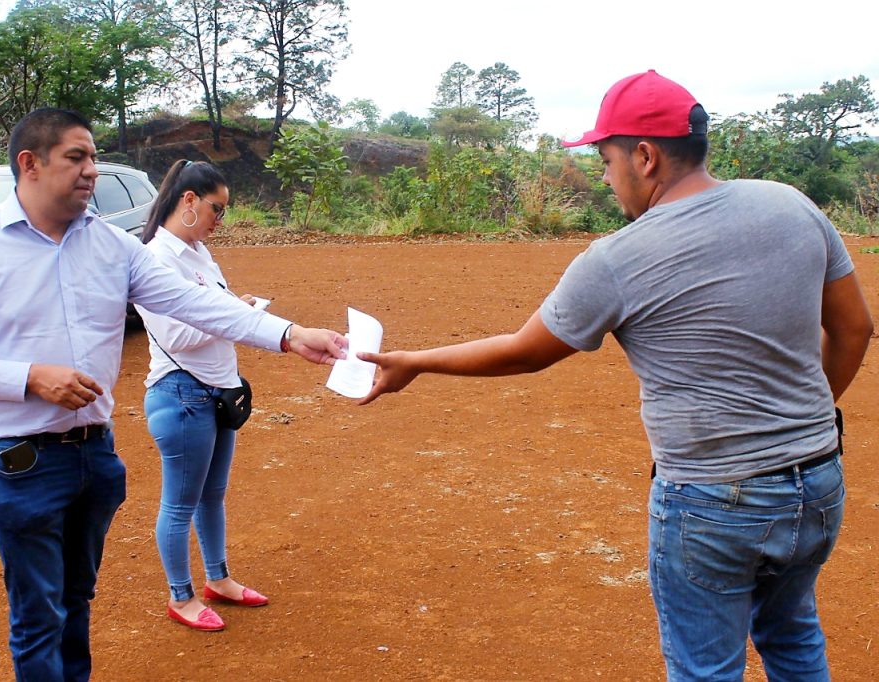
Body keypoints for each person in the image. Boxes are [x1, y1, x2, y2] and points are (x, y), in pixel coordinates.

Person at [358, 71, 873, 681]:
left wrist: (415, 361)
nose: (605, 178)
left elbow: (524, 352)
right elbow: (855, 328)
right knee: (792, 637)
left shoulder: (617, 258)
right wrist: (801, 421)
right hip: (817, 481)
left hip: (713, 500)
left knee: (706, 670)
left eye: (606, 160)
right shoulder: (792, 205)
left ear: (645, 157)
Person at [0, 108, 345, 681]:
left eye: (93, 157)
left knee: (76, 601)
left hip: (94, 455)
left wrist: (290, 334)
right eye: (76, 157)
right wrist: (29, 378)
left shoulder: (113, 247)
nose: (91, 169)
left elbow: (196, 304)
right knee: (38, 616)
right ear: (30, 163)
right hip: (22, 461)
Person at [134, 160, 270, 632]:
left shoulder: (198, 254)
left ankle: (218, 579)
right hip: (181, 394)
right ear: (188, 199)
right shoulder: (155, 258)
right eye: (217, 209)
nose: (220, 220)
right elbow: (178, 334)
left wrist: (234, 309)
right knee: (179, 503)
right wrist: (234, 315)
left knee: (213, 495)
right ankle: (181, 596)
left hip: (217, 391)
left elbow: (213, 313)